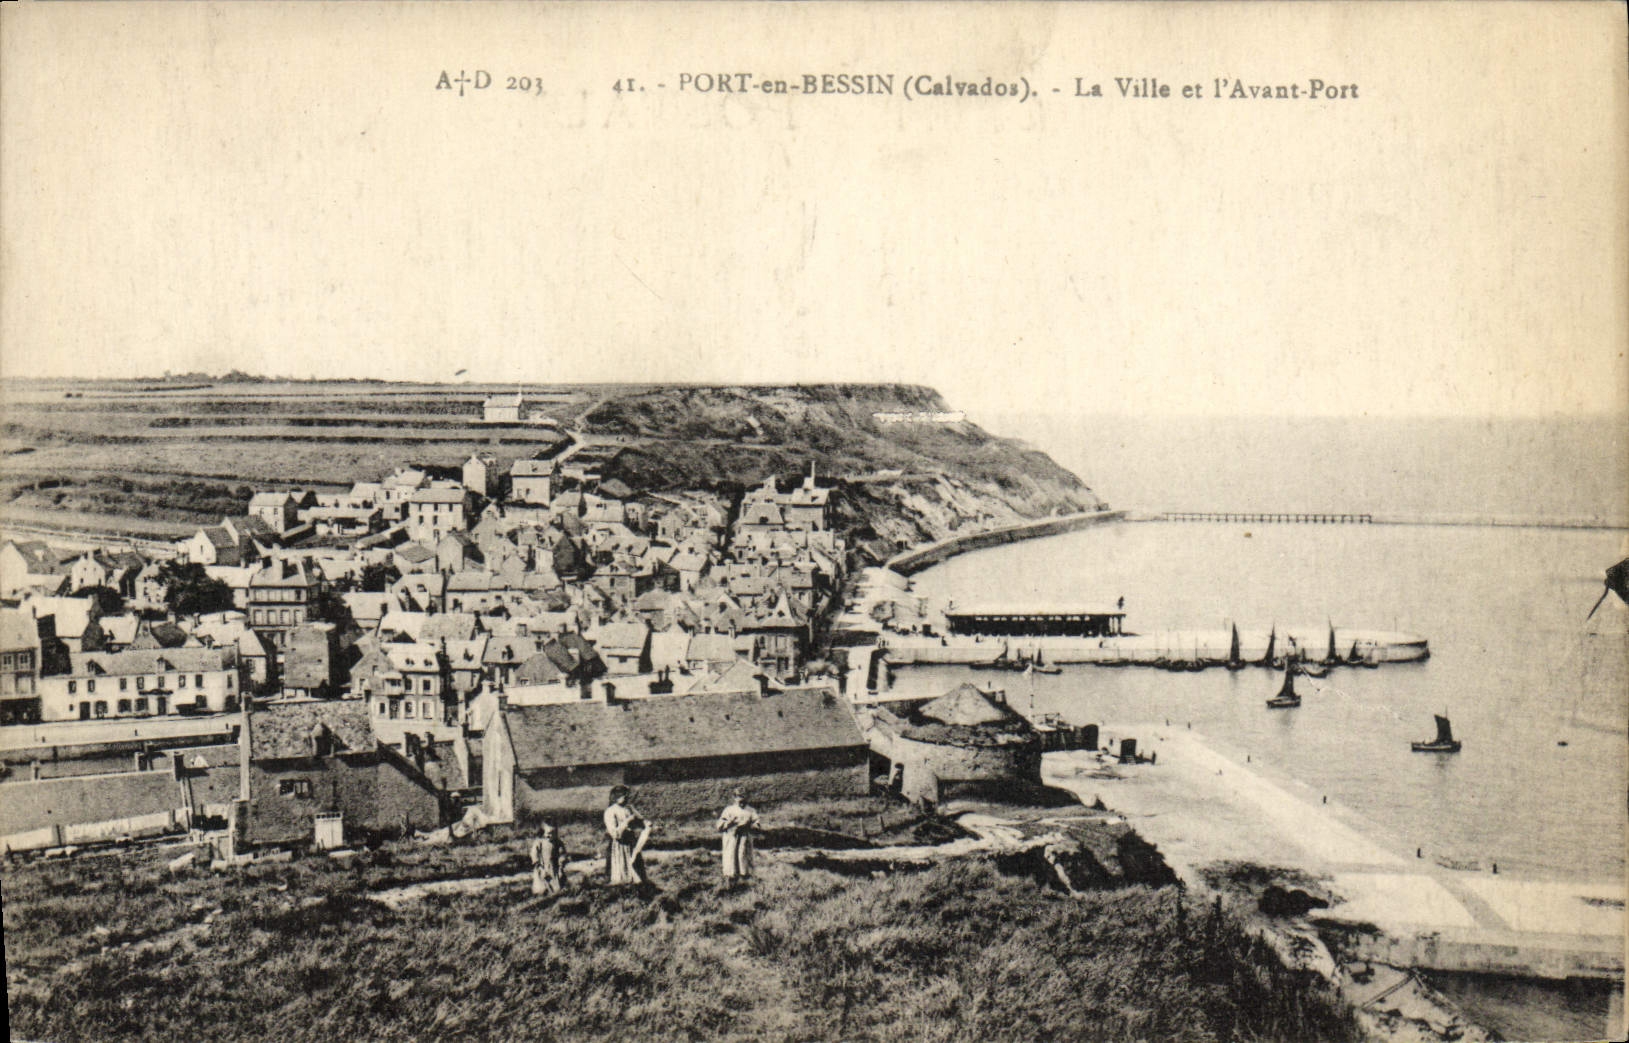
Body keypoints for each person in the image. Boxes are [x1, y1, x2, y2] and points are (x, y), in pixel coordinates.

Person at [716, 789, 761, 887]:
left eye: (744, 797)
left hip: (745, 841)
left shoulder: (751, 811)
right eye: (739, 797)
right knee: (731, 863)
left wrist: (748, 826)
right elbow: (719, 826)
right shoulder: (729, 810)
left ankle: (746, 886)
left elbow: (757, 826)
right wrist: (729, 823)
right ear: (734, 797)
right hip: (731, 840)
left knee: (744, 862)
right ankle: (731, 886)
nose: (741, 800)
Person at [603, 786, 647, 887]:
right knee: (621, 872)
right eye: (624, 795)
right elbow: (615, 834)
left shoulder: (627, 809)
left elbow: (640, 821)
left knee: (636, 873)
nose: (626, 798)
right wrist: (627, 821)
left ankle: (637, 889)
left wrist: (633, 810)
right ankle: (623, 891)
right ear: (616, 797)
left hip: (630, 844)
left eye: (627, 796)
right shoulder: (610, 811)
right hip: (619, 845)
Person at [529, 822, 566, 897]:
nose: (550, 835)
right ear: (543, 833)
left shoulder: (558, 843)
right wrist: (537, 864)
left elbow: (562, 854)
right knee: (541, 884)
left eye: (553, 833)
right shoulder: (539, 842)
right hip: (542, 866)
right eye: (548, 833)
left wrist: (561, 865)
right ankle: (541, 895)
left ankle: (555, 895)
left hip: (553, 867)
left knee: (556, 884)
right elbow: (534, 853)